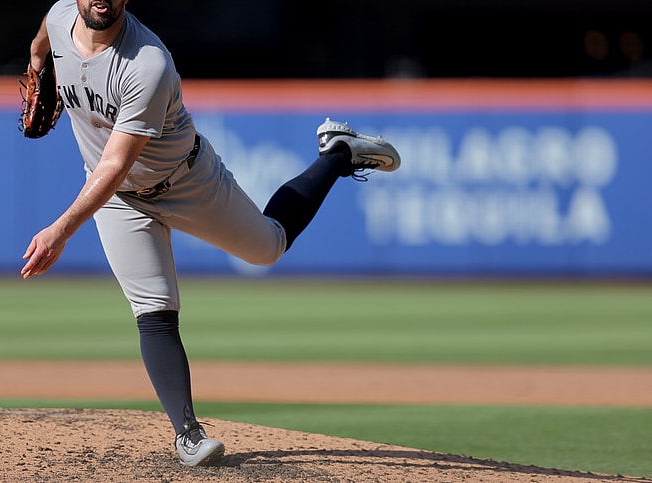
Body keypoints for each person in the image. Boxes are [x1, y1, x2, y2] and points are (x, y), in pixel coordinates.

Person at [20, 0, 401, 467]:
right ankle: (188, 434)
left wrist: (60, 230)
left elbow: (117, 164)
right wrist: (38, 61)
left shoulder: (147, 62)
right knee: (153, 309)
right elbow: (44, 33)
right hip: (119, 201)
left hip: (185, 182)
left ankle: (337, 154)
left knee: (268, 247)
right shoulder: (60, 18)